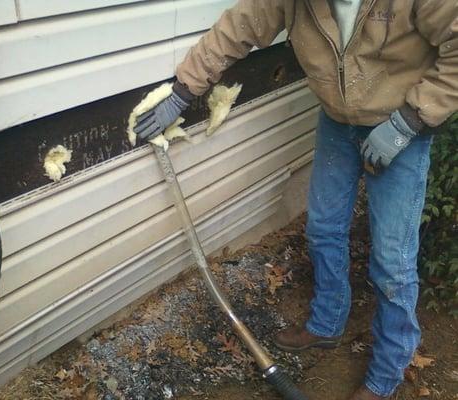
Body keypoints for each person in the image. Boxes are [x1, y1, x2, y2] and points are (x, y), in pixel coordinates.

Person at [133, 1, 458, 399]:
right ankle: (327, 323)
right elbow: (239, 27)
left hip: (400, 128)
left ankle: (387, 374)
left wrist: (412, 119)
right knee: (323, 228)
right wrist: (182, 92)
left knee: (392, 260)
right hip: (338, 123)